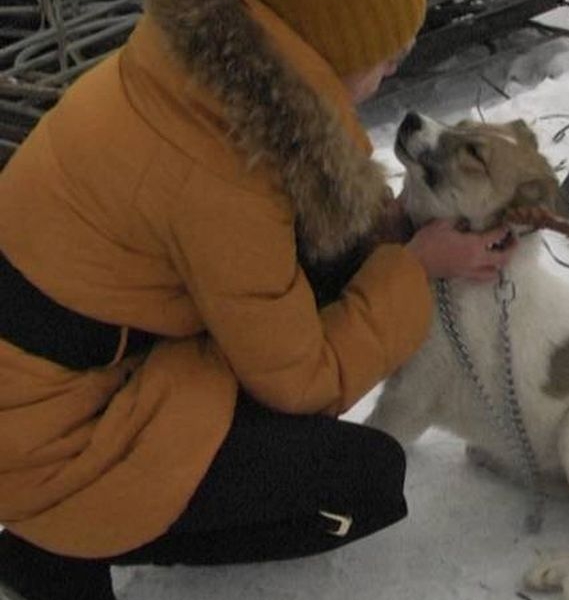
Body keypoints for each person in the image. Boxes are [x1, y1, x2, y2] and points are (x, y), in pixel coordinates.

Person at [0, 0, 517, 598]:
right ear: (329, 50)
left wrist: (395, 231)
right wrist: (414, 269)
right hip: (46, 445)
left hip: (62, 375)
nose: (392, 73)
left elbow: (280, 246)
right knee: (360, 482)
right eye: (385, 56)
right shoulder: (223, 174)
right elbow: (300, 384)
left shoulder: (194, 78)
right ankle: (54, 545)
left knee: (334, 256)